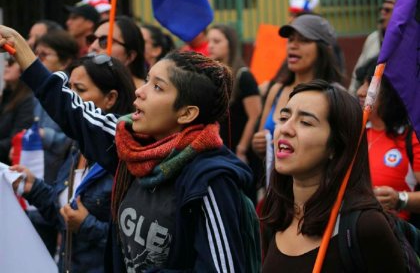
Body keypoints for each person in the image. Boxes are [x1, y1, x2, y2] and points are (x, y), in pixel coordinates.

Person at [0, 25, 259, 272]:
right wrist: (22, 51)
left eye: (158, 87)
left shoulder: (211, 181)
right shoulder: (131, 145)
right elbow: (74, 112)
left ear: (187, 113)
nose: (139, 92)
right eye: (147, 80)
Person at [261, 79, 405, 272]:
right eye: (284, 117)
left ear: (336, 147)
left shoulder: (366, 226)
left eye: (305, 122)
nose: (285, 128)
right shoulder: (274, 213)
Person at [12, 54, 136, 273]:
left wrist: (86, 225)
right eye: (69, 89)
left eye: (80, 90)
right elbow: (64, 214)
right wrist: (34, 188)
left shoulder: (124, 157)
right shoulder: (77, 146)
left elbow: (135, 245)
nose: (71, 98)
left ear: (110, 98)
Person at [252, 14, 342, 161]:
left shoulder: (334, 95)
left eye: (304, 40)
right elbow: (262, 138)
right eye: (291, 40)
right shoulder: (277, 90)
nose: (293, 45)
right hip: (275, 182)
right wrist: (259, 144)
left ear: (323, 48)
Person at [23, 30, 78, 257]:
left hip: (56, 182)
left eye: (44, 55)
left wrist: (43, 135)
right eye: (36, 54)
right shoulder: (37, 92)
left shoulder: (68, 92)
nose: (38, 60)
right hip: (38, 184)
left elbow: (74, 134)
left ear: (64, 61)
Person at [355, 57, 420, 221]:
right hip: (349, 235)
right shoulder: (355, 131)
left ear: (392, 92)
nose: (360, 92)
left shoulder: (411, 138)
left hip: (392, 238)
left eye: (369, 84)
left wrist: (400, 199)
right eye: (361, 84)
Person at [207, 24, 262, 202]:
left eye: (216, 41)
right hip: (220, 152)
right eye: (209, 41)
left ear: (230, 44)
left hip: (240, 154)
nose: (210, 45)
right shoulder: (214, 76)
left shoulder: (243, 76)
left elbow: (255, 115)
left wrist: (242, 149)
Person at [348, 0, 396, 94]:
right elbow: (357, 75)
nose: (382, 13)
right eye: (381, 9)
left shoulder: (409, 41)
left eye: (387, 10)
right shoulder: (373, 39)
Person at [87, 15, 146, 88]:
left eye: (105, 41)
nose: (93, 46)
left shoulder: (146, 95)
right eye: (92, 39)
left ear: (130, 56)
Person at [0, 55, 34, 165]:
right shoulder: (8, 95)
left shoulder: (28, 100)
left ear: (23, 68)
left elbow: (16, 138)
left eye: (10, 62)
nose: (6, 65)